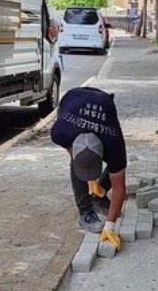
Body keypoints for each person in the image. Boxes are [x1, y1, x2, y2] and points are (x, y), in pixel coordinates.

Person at [50, 87, 128, 251]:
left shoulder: (113, 144)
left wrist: (110, 227)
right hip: (73, 98)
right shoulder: (60, 132)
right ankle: (85, 211)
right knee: (78, 161)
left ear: (103, 155)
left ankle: (98, 198)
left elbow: (120, 189)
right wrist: (82, 163)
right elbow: (70, 150)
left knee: (119, 165)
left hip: (103, 103)